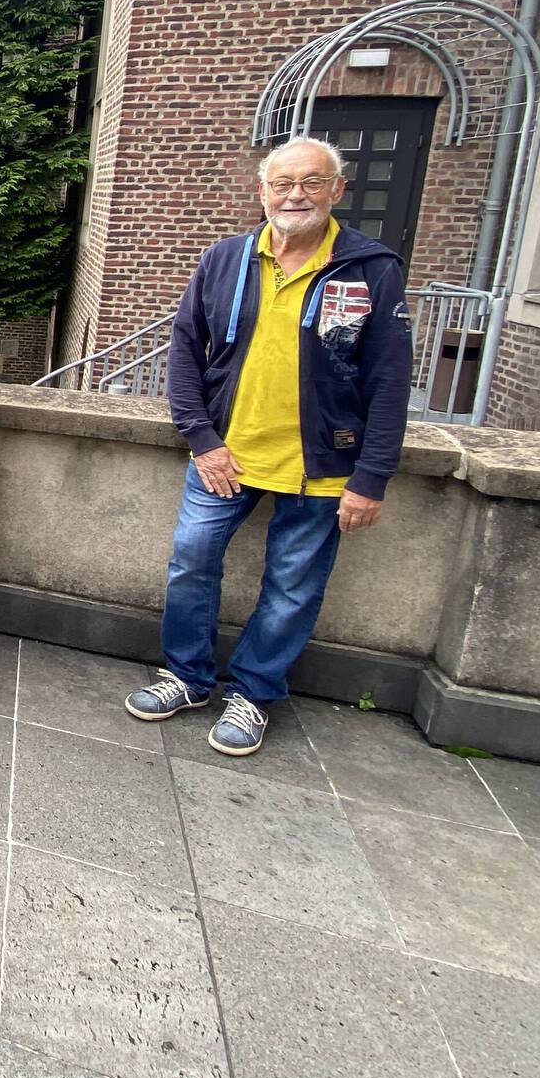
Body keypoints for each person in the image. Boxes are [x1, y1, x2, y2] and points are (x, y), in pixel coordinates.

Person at [124, 134, 411, 755]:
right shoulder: (227, 259)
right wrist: (202, 438)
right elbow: (183, 351)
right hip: (225, 453)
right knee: (191, 562)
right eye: (282, 184)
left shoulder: (369, 269)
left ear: (338, 190)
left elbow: (391, 382)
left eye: (311, 182)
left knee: (292, 586)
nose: (295, 195)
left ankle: (253, 694)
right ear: (262, 193)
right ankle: (187, 676)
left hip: (322, 465)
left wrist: (371, 477)